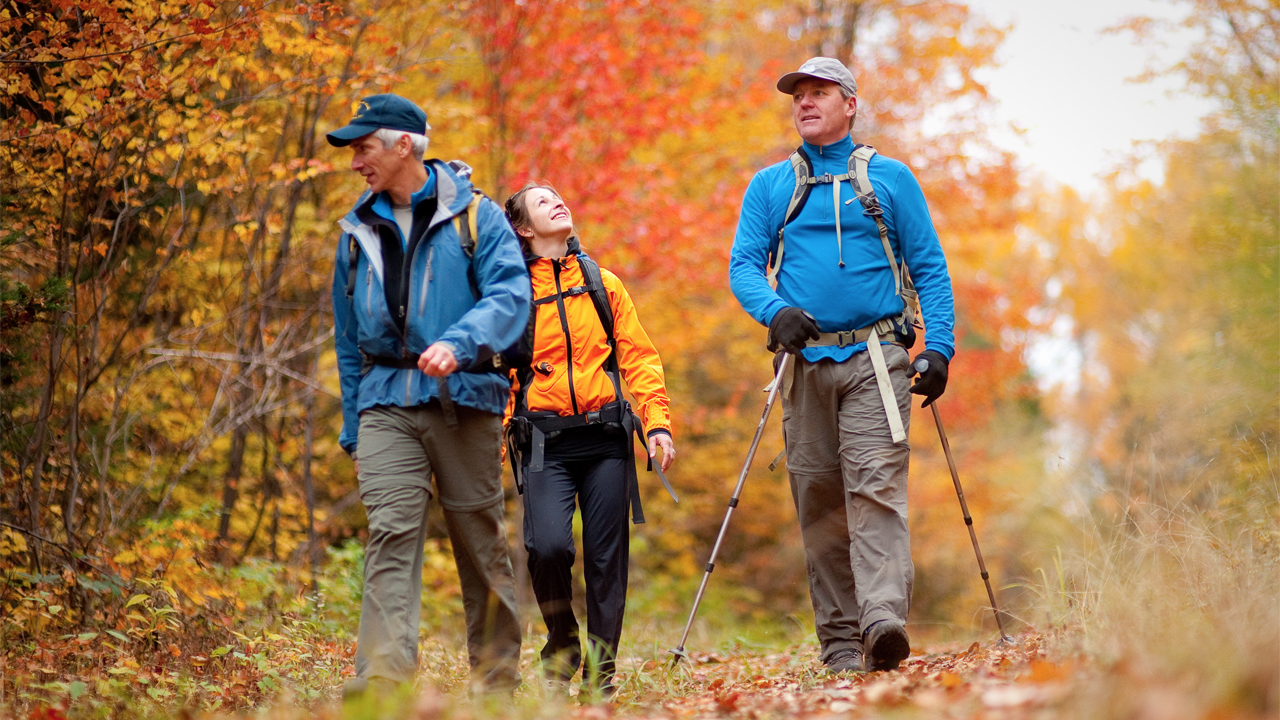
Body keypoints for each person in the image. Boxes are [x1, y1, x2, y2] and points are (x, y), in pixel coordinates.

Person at [728, 58, 956, 673]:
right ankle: (838, 643)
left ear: (850, 103)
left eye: (819, 92)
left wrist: (940, 348)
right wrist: (774, 312)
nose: (805, 102)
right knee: (819, 501)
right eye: (798, 94)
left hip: (878, 361)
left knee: (875, 488)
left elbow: (930, 267)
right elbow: (744, 265)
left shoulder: (891, 178)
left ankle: (882, 621)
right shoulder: (771, 185)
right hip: (803, 364)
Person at [326, 93, 530, 697]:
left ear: (404, 146)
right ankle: (383, 681)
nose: (357, 162)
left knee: (479, 541)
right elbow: (346, 339)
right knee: (390, 530)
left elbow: (509, 298)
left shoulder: (478, 217)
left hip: (464, 397)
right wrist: (354, 427)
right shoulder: (356, 231)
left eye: (364, 149)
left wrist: (460, 342)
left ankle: (495, 682)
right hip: (386, 399)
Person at [502, 182, 676, 696]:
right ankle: (562, 643)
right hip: (542, 444)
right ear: (524, 229)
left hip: (605, 438)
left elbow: (640, 357)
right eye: (541, 201)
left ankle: (602, 674)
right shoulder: (512, 291)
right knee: (548, 548)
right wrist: (501, 426)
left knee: (607, 560)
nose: (557, 202)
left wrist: (657, 423)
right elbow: (503, 371)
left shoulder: (603, 283)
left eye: (558, 195)